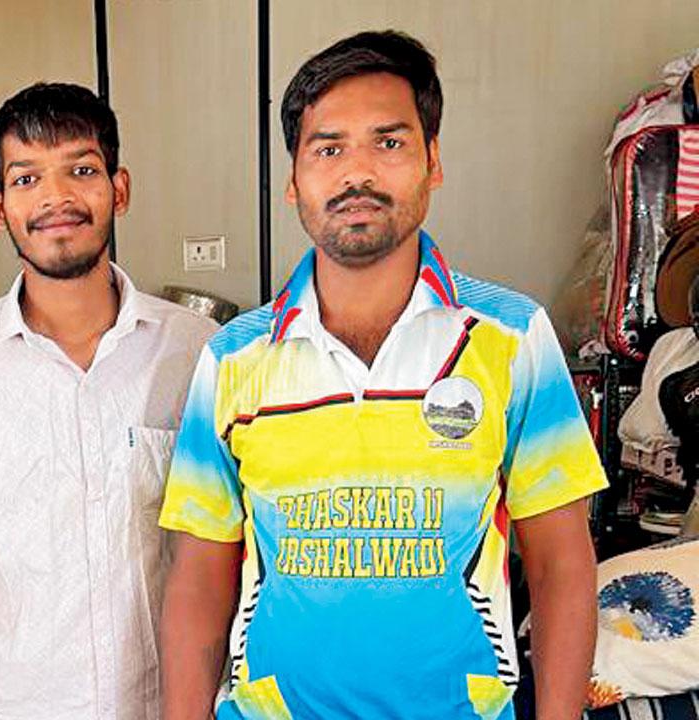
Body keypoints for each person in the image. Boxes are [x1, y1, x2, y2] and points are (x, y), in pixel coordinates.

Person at [158, 31, 607, 720]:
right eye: (328, 148)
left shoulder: (512, 338)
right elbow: (199, 582)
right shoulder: (234, 359)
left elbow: (560, 566)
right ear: (294, 179)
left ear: (433, 161)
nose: (355, 174)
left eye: (389, 143)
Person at [0, 82, 218, 719]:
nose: (56, 198)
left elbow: (225, 551)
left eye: (81, 170)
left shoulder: (195, 351)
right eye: (26, 180)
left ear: (119, 189)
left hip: (168, 704)